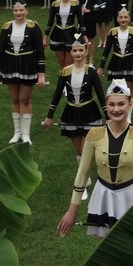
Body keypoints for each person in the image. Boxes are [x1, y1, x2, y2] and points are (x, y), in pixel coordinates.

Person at [57, 79, 133, 241]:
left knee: (132, 246)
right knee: (106, 247)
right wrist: (72, 211)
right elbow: (82, 175)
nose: (116, 109)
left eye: (121, 104)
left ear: (130, 104)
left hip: (132, 197)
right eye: (111, 104)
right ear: (106, 106)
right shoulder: (94, 135)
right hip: (103, 198)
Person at [43, 38, 107, 200]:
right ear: (71, 52)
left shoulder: (91, 72)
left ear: (86, 51)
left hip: (89, 113)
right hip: (71, 113)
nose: (78, 53)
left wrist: (108, 117)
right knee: (78, 150)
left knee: (85, 150)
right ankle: (86, 177)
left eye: (81, 50)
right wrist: (49, 116)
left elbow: (100, 95)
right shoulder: (65, 72)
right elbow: (57, 95)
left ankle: (82, 183)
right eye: (75, 50)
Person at [0, 0, 46, 144]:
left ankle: (26, 135)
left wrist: (41, 74)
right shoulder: (6, 26)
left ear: (26, 10)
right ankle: (17, 132)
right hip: (10, 66)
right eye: (16, 10)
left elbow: (40, 52)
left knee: (24, 99)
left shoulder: (34, 27)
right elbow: (0, 51)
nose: (18, 13)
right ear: (13, 11)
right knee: (15, 99)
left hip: (28, 66)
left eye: (21, 10)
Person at [98, 6, 133, 107]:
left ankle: (128, 114)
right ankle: (119, 111)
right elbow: (106, 51)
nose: (123, 19)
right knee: (117, 90)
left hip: (131, 62)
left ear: (129, 19)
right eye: (121, 17)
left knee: (129, 91)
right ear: (117, 19)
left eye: (125, 17)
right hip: (116, 63)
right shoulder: (112, 31)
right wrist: (101, 67)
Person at [45, 0, 84, 71]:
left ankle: (69, 76)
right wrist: (45, 37)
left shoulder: (75, 3)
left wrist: (84, 36)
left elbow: (81, 21)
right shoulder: (55, 4)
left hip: (70, 33)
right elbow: (50, 21)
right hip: (58, 33)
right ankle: (63, 77)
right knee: (62, 62)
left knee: (69, 62)